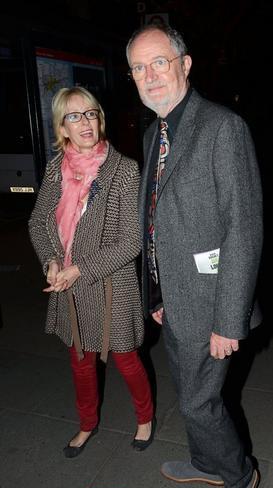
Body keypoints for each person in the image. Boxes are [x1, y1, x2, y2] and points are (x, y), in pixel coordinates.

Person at [126, 23, 263, 488]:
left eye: (159, 61)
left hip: (214, 303)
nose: (149, 75)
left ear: (185, 64)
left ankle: (237, 476)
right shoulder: (154, 132)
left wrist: (229, 320)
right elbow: (158, 221)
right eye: (138, 67)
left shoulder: (221, 127)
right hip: (176, 299)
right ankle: (206, 463)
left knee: (199, 403)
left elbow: (243, 228)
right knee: (188, 391)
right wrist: (156, 292)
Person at [29, 86, 156, 458]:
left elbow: (131, 241)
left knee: (126, 359)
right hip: (69, 286)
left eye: (90, 113)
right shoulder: (57, 170)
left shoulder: (124, 171)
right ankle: (87, 424)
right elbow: (39, 222)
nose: (85, 122)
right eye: (74, 116)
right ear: (62, 128)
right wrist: (51, 260)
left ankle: (145, 418)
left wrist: (78, 269)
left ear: (100, 119)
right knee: (80, 362)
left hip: (111, 285)